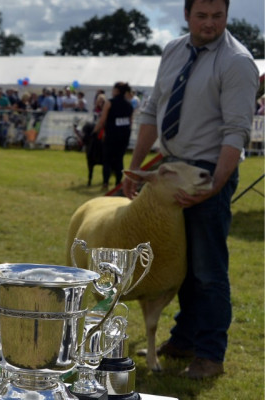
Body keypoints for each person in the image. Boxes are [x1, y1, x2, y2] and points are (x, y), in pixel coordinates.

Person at [123, 0, 258, 380]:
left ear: (228, 15)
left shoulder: (237, 62)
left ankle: (210, 354)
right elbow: (152, 111)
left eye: (218, 16)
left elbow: (236, 131)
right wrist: (135, 169)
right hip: (170, 173)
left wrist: (215, 184)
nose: (210, 24)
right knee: (178, 265)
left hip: (206, 173)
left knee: (207, 268)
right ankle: (184, 338)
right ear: (186, 14)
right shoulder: (173, 50)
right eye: (202, 15)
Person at [93, 82, 134, 191]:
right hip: (124, 136)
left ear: (116, 90)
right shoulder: (129, 104)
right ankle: (118, 183)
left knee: (107, 159)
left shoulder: (109, 103)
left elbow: (102, 120)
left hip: (111, 135)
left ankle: (105, 183)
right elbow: (131, 122)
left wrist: (94, 131)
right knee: (119, 159)